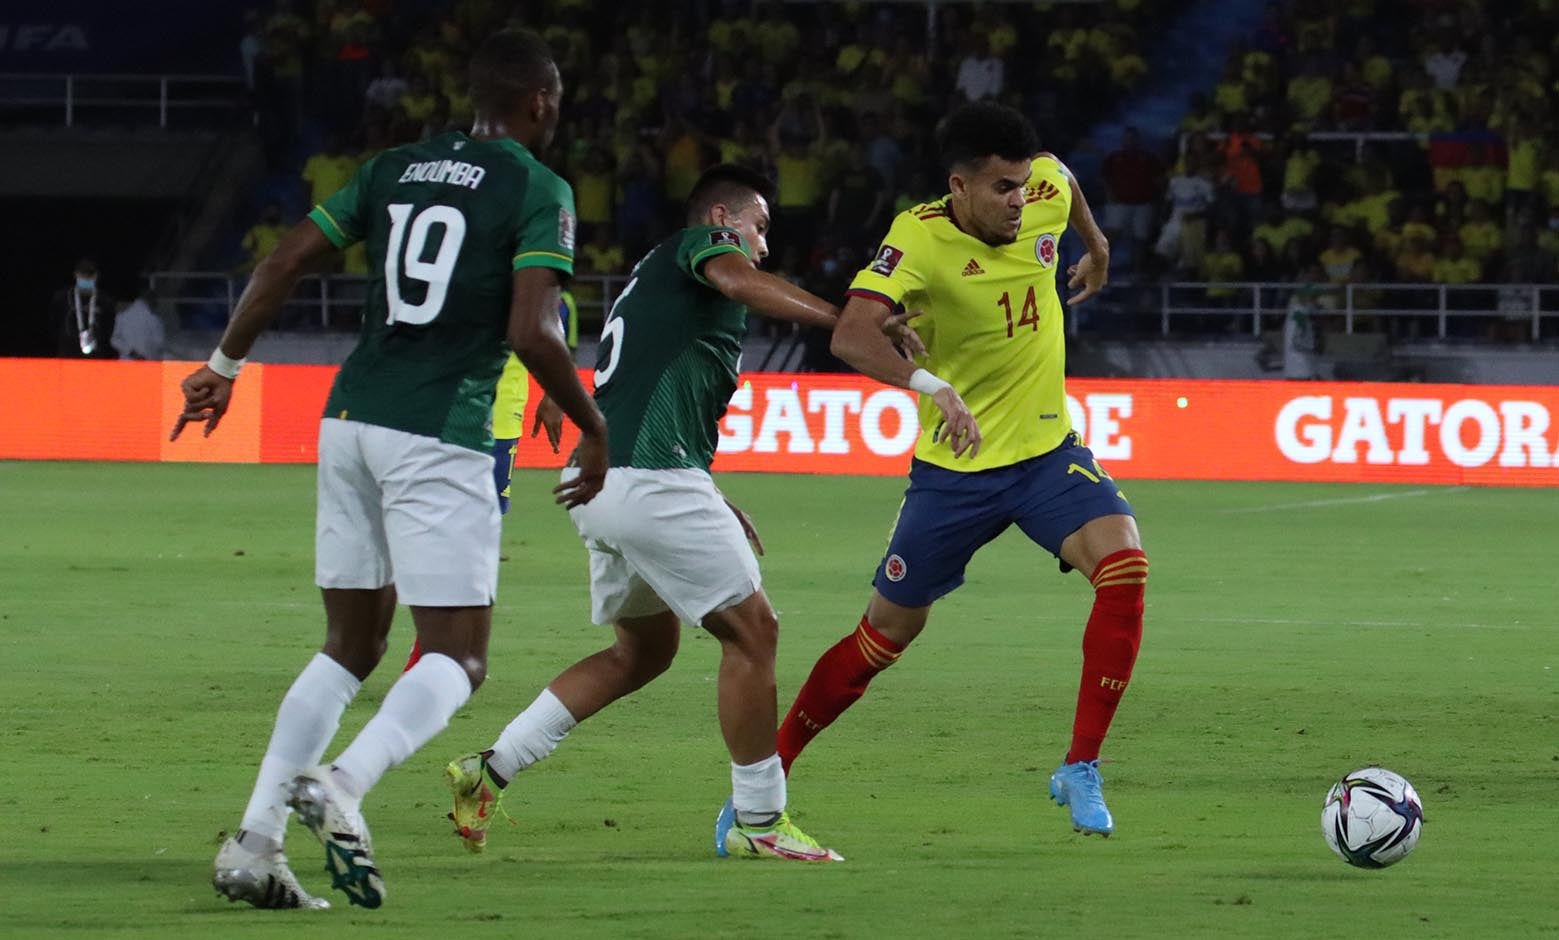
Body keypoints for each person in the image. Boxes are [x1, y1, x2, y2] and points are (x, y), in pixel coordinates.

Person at [175, 28, 607, 910]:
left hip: (348, 417)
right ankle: (345, 782)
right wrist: (590, 422)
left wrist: (222, 365)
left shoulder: (391, 168)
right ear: (539, 103)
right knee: (459, 657)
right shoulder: (537, 187)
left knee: (351, 645)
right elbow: (532, 330)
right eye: (555, 101)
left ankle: (255, 843)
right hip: (441, 428)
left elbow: (285, 258)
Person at [441, 164, 919, 863]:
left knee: (643, 651)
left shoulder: (655, 276)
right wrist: (843, 318)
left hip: (609, 479)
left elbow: (646, 389)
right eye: (756, 228)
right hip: (643, 481)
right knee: (754, 633)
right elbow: (735, 278)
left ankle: (488, 770)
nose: (760, 247)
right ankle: (759, 820)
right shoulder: (699, 248)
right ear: (721, 218)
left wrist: (709, 494)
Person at [765, 102, 1145, 839]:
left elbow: (1064, 179)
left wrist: (1095, 247)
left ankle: (1080, 766)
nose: (1018, 200)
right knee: (882, 638)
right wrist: (932, 387)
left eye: (1022, 184)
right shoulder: (917, 238)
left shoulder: (1044, 189)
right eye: (1002, 187)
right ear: (959, 186)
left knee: (1125, 566)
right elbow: (849, 334)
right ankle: (766, 777)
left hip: (1045, 454)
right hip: (954, 471)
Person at [51, 259, 115, 358]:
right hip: (68, 355)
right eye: (82, 274)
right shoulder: (62, 297)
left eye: (90, 274)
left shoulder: (105, 300)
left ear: (96, 275)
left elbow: (109, 328)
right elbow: (54, 323)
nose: (86, 277)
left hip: (96, 356)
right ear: (75, 274)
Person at [110, 286, 166, 360]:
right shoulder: (154, 318)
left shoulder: (122, 316)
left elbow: (114, 340)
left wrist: (131, 352)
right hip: (145, 363)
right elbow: (159, 343)